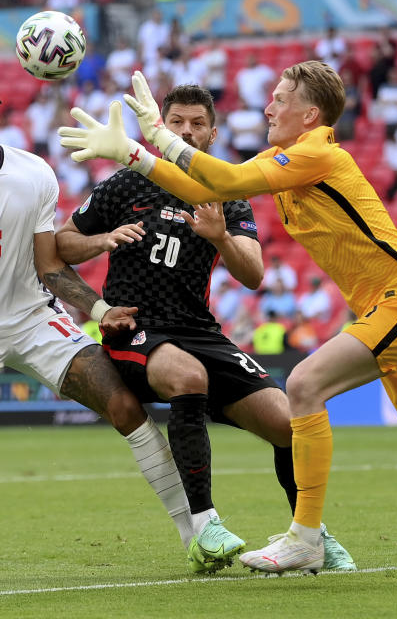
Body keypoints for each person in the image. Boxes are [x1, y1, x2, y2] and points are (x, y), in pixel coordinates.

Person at [58, 62, 397, 577]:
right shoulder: (289, 160)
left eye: (279, 101)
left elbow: (221, 185)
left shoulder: (318, 153)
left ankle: (306, 536)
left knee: (303, 384)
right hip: (391, 309)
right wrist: (133, 154)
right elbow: (207, 187)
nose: (268, 110)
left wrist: (149, 140)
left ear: (311, 115)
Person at [0, 76, 194, 587]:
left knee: (125, 408)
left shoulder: (34, 173)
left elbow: (50, 266)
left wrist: (98, 307)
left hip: (36, 317)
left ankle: (193, 538)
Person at [55, 84, 354, 573]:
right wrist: (104, 242)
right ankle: (205, 526)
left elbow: (253, 274)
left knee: (289, 426)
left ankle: (310, 534)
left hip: (200, 331)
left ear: (213, 133)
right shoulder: (126, 184)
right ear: (161, 129)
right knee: (188, 377)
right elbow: (61, 242)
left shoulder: (227, 194)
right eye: (177, 123)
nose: (187, 131)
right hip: (136, 326)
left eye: (197, 124)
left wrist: (221, 238)